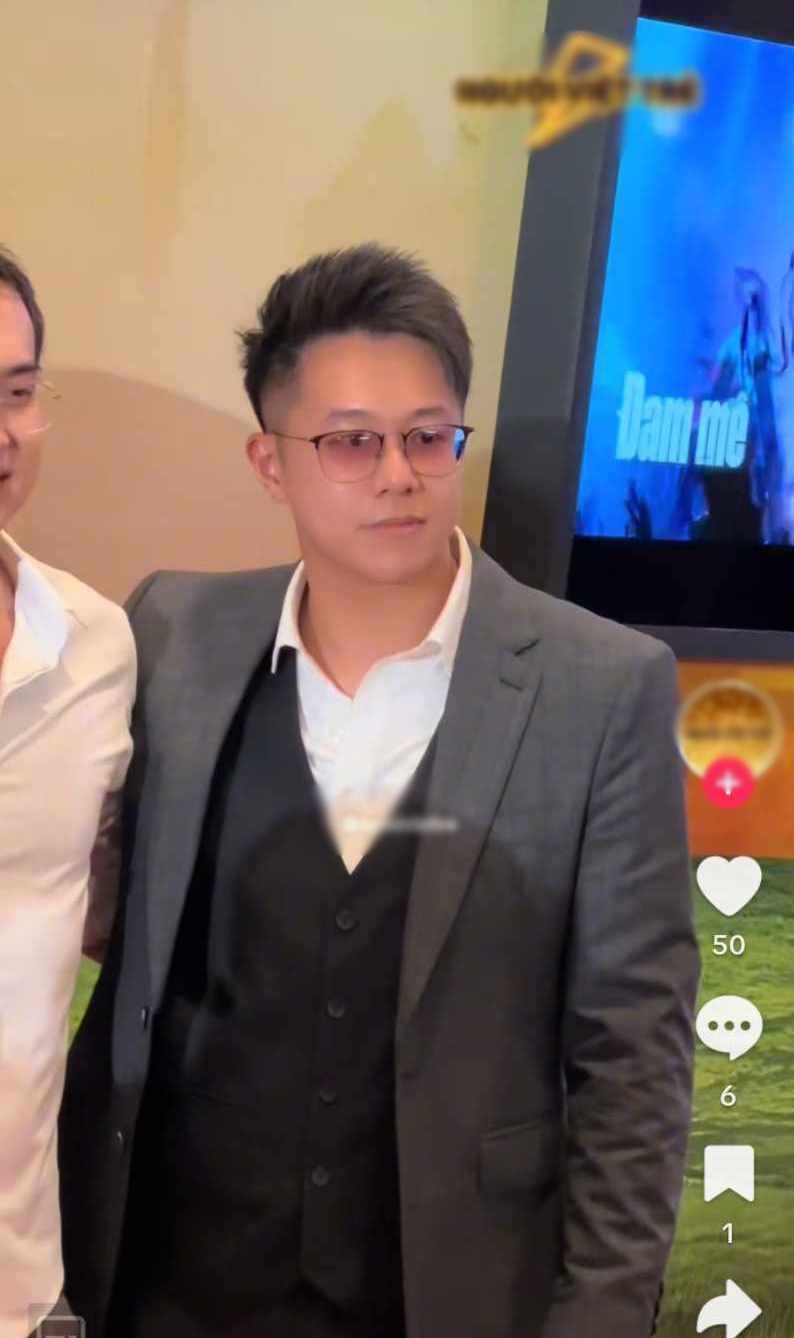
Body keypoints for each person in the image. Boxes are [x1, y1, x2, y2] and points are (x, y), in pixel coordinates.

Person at [59, 243, 699, 1338]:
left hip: (450, 1291)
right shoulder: (171, 634)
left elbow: (633, 1055)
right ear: (270, 463)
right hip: (172, 1282)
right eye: (350, 441)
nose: (398, 474)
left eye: (427, 435)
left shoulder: (602, 685)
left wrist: (599, 1313)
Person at [0, 246, 136, 1338]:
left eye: (16, 392)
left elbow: (107, 903)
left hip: (18, 1278)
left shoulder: (97, 644)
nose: (3, 431)